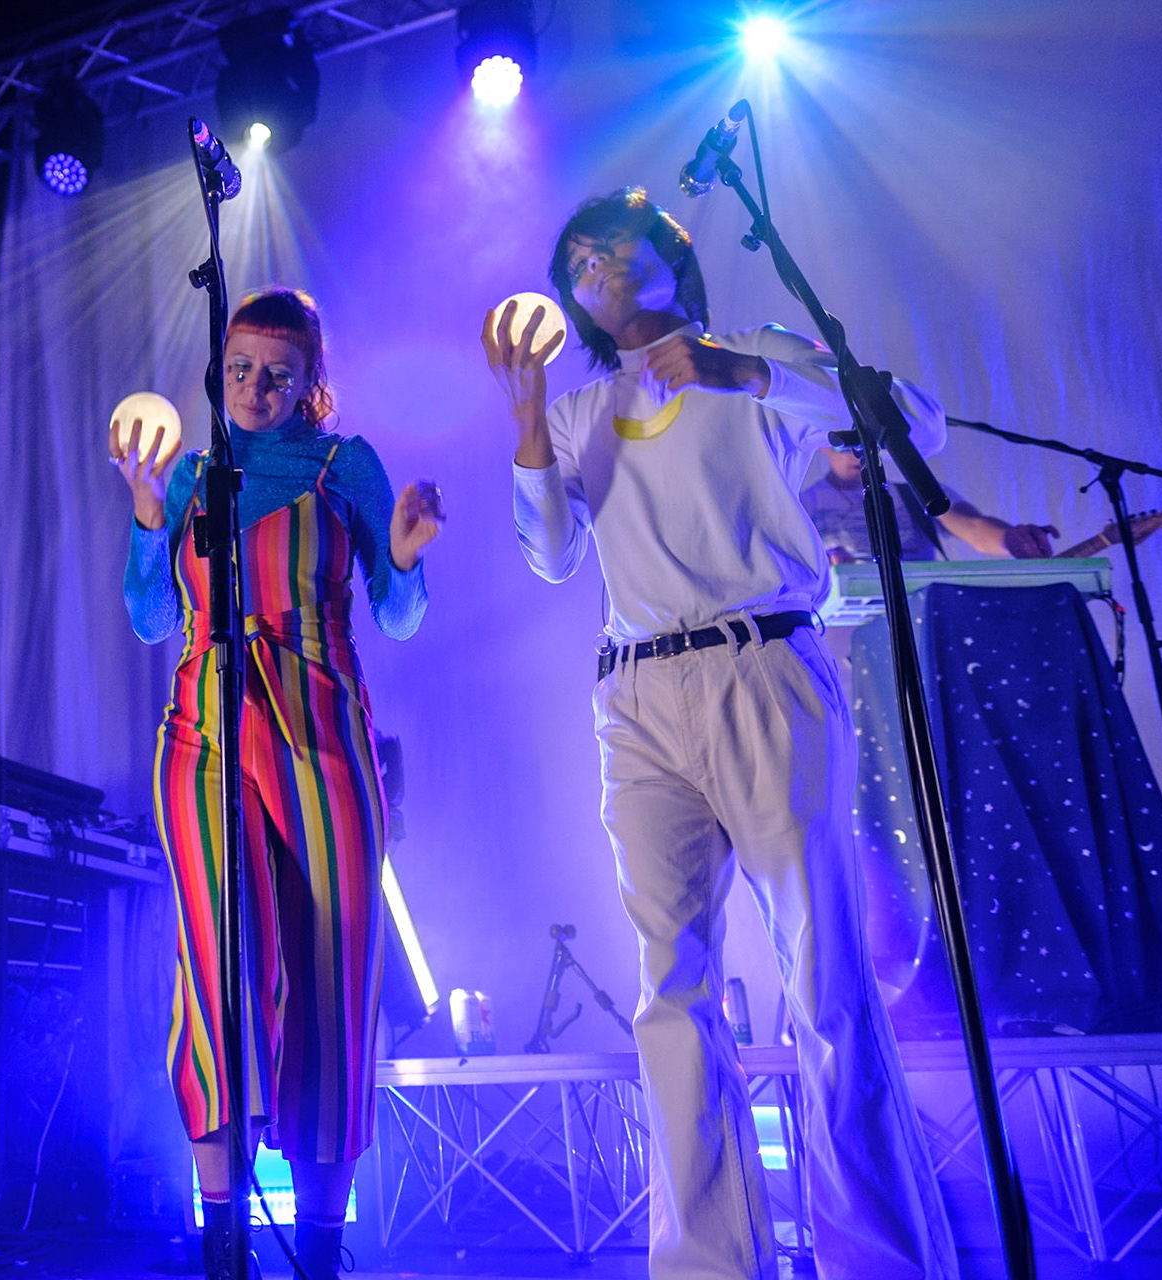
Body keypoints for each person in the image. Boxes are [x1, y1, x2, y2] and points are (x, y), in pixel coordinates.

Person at [482, 187, 957, 1279]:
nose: (597, 262)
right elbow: (550, 553)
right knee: (671, 989)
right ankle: (708, 1264)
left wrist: (748, 375)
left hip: (764, 664)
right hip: (636, 700)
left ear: (668, 257)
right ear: (574, 301)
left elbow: (914, 426)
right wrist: (524, 425)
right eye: (580, 259)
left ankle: (880, 1260)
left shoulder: (754, 352)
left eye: (614, 244)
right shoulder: (576, 411)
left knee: (822, 973)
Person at [114, 288, 442, 1280]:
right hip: (204, 731)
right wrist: (142, 515)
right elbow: (143, 616)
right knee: (217, 971)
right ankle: (223, 1242)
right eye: (242, 368)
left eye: (279, 373)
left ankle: (324, 1246)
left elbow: (399, 617)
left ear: (311, 384)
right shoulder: (191, 475)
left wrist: (406, 559)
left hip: (324, 732)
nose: (256, 387)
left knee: (335, 975)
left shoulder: (350, 466)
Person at [803, 444, 1059, 563]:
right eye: (846, 443)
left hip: (924, 620)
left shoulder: (912, 495)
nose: (857, 452)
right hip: (845, 637)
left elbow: (971, 527)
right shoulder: (803, 506)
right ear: (822, 443)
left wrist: (1012, 539)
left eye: (863, 443)